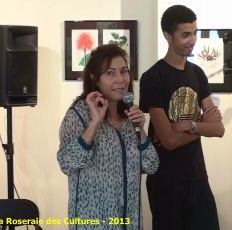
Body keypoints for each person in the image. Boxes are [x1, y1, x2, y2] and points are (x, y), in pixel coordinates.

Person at [139, 5, 225, 230]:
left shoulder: (197, 73)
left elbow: (220, 129)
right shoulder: (152, 78)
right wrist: (204, 125)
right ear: (168, 36)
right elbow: (168, 140)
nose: (192, 40)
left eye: (194, 33)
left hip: (197, 177)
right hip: (165, 182)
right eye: (185, 34)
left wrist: (191, 125)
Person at [57, 44, 159, 230]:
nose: (121, 79)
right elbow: (67, 163)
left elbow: (151, 165)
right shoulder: (78, 114)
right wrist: (95, 122)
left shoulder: (130, 116)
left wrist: (141, 130)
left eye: (124, 71)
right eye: (110, 73)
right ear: (95, 79)